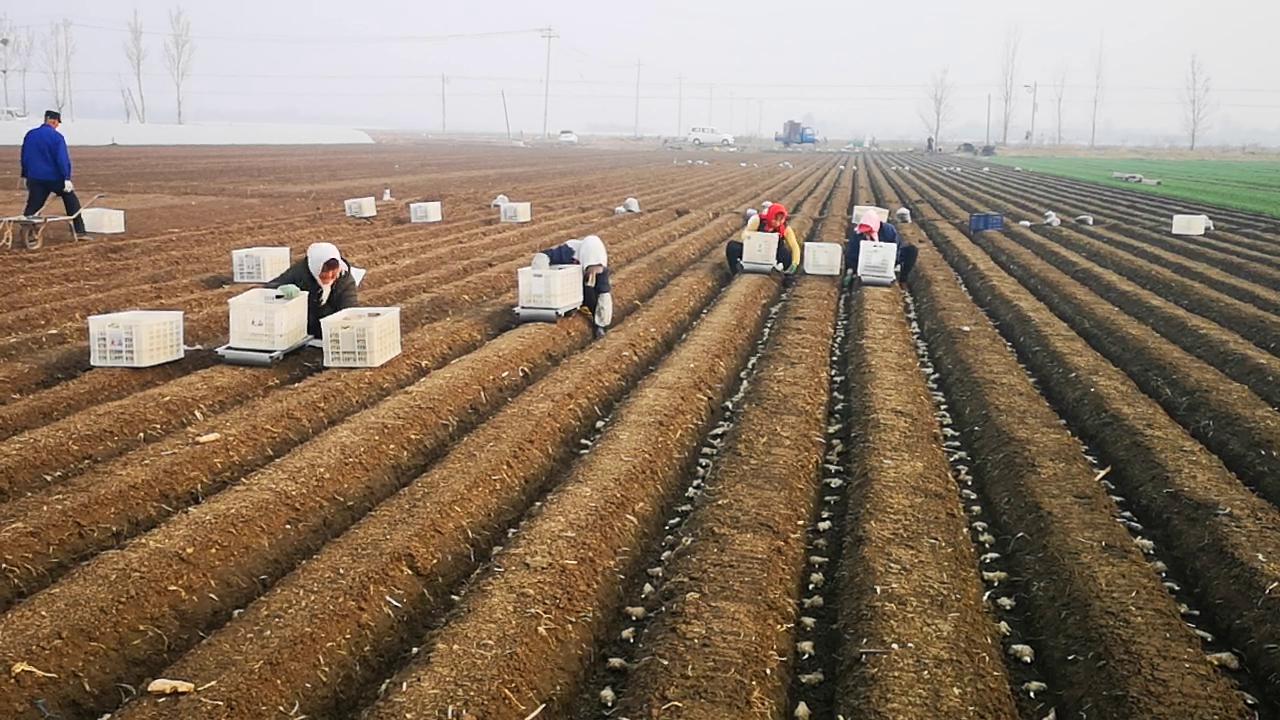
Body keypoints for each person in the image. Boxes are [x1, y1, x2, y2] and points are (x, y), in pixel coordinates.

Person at [265, 242, 359, 338]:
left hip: (331, 330)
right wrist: (280, 290)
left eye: (334, 271)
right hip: (301, 328)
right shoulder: (300, 273)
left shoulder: (344, 280)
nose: (330, 275)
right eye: (325, 271)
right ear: (315, 267)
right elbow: (268, 289)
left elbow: (350, 310)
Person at [20, 110, 85, 236]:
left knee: (33, 205)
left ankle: (27, 231)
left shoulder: (30, 135)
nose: (57, 126)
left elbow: (25, 156)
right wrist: (66, 178)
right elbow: (62, 159)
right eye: (57, 123)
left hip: (34, 177)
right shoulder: (56, 137)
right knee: (71, 201)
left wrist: (25, 174)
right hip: (54, 178)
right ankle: (80, 231)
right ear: (54, 121)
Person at [538, 234, 612, 338]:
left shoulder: (601, 270)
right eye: (592, 270)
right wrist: (542, 276)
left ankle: (597, 325)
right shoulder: (569, 251)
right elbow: (543, 255)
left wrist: (602, 323)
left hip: (580, 288)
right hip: (561, 287)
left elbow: (604, 296)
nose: (594, 274)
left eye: (597, 272)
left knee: (593, 295)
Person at [844, 210, 918, 289]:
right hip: (866, 264)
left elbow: (895, 249)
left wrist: (888, 264)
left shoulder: (889, 230)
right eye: (865, 231)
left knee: (912, 250)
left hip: (886, 261)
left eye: (869, 230)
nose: (867, 233)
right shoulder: (857, 234)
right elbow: (851, 255)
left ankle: (903, 280)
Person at [726, 202, 801, 278]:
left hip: (772, 255)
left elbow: (794, 246)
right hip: (755, 251)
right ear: (770, 215)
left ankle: (786, 278)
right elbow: (745, 235)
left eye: (780, 220)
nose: (777, 223)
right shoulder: (757, 220)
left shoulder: (785, 229)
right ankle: (735, 273)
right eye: (775, 219)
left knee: (786, 254)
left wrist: (795, 263)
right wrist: (750, 236)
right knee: (732, 247)